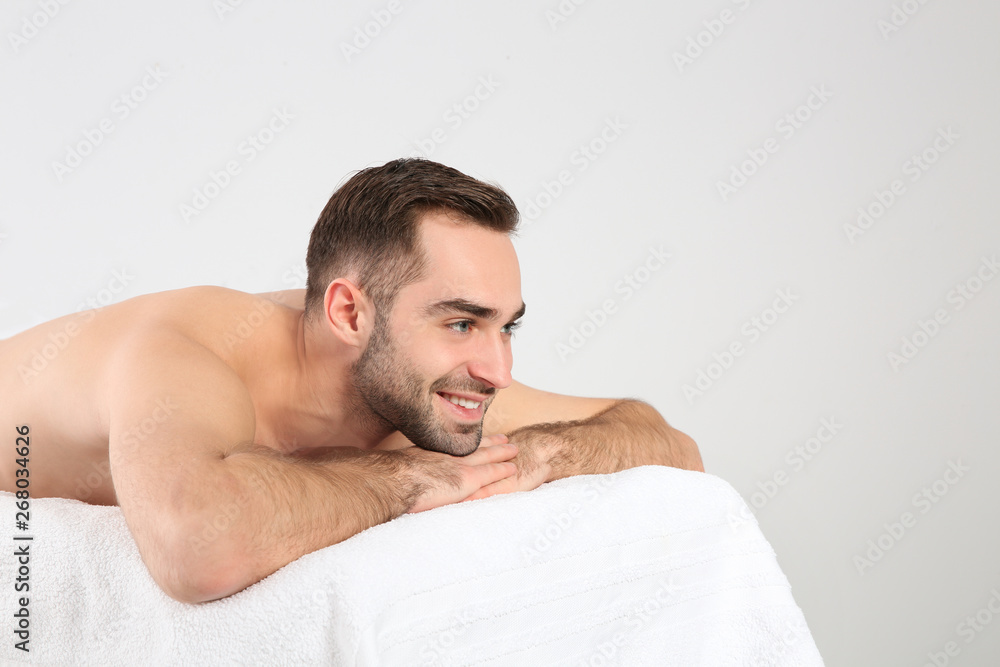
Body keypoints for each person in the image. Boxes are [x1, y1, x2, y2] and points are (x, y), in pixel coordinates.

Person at [0, 158, 703, 604]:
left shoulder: (422, 377)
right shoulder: (183, 352)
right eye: (462, 322)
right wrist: (415, 476)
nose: (500, 372)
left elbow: (668, 443)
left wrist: (540, 454)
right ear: (349, 313)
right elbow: (197, 546)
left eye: (505, 327)